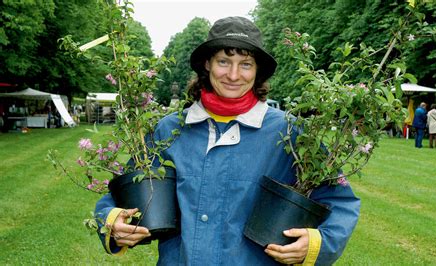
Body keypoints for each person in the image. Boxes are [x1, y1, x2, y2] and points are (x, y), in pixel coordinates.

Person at [95, 16, 360, 265]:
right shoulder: (169, 130)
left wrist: (317, 243)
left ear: (257, 71)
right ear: (208, 64)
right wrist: (113, 220)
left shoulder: (290, 133)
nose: (233, 75)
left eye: (245, 64)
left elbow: (339, 201)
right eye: (224, 61)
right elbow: (124, 191)